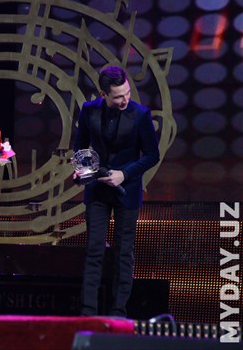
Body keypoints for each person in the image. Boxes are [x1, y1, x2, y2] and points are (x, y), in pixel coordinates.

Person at [73, 65, 159, 317]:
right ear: (103, 94)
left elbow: (152, 155)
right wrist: (83, 169)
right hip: (97, 188)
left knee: (123, 252)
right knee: (94, 250)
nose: (125, 99)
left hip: (127, 190)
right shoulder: (89, 110)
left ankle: (118, 311)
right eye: (119, 96)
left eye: (127, 93)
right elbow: (80, 147)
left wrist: (125, 174)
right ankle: (88, 312)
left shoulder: (141, 115)